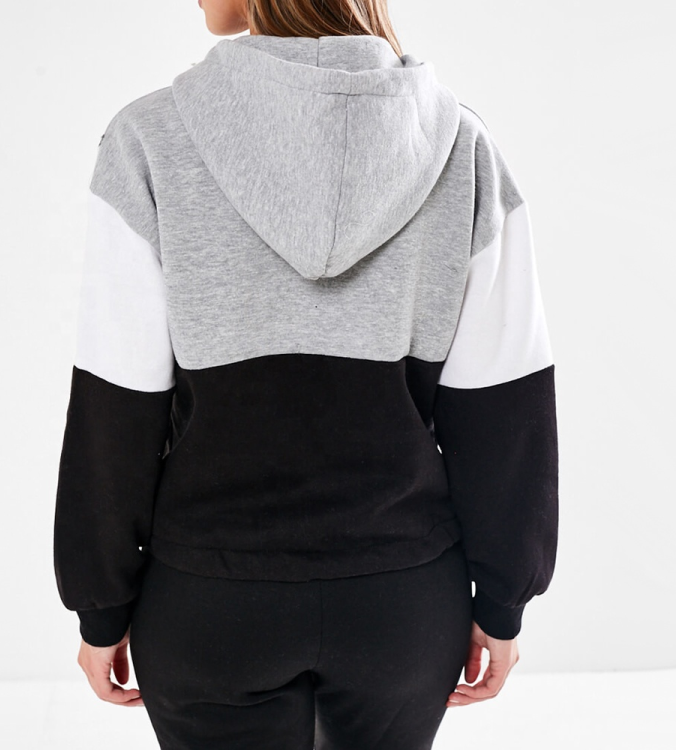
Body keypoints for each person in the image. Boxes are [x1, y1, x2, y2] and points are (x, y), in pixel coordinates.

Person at [53, 1, 559, 748]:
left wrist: (100, 605)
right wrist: (503, 600)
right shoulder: (462, 145)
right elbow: (503, 405)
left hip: (208, 602)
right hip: (404, 604)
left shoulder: (148, 139)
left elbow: (116, 402)